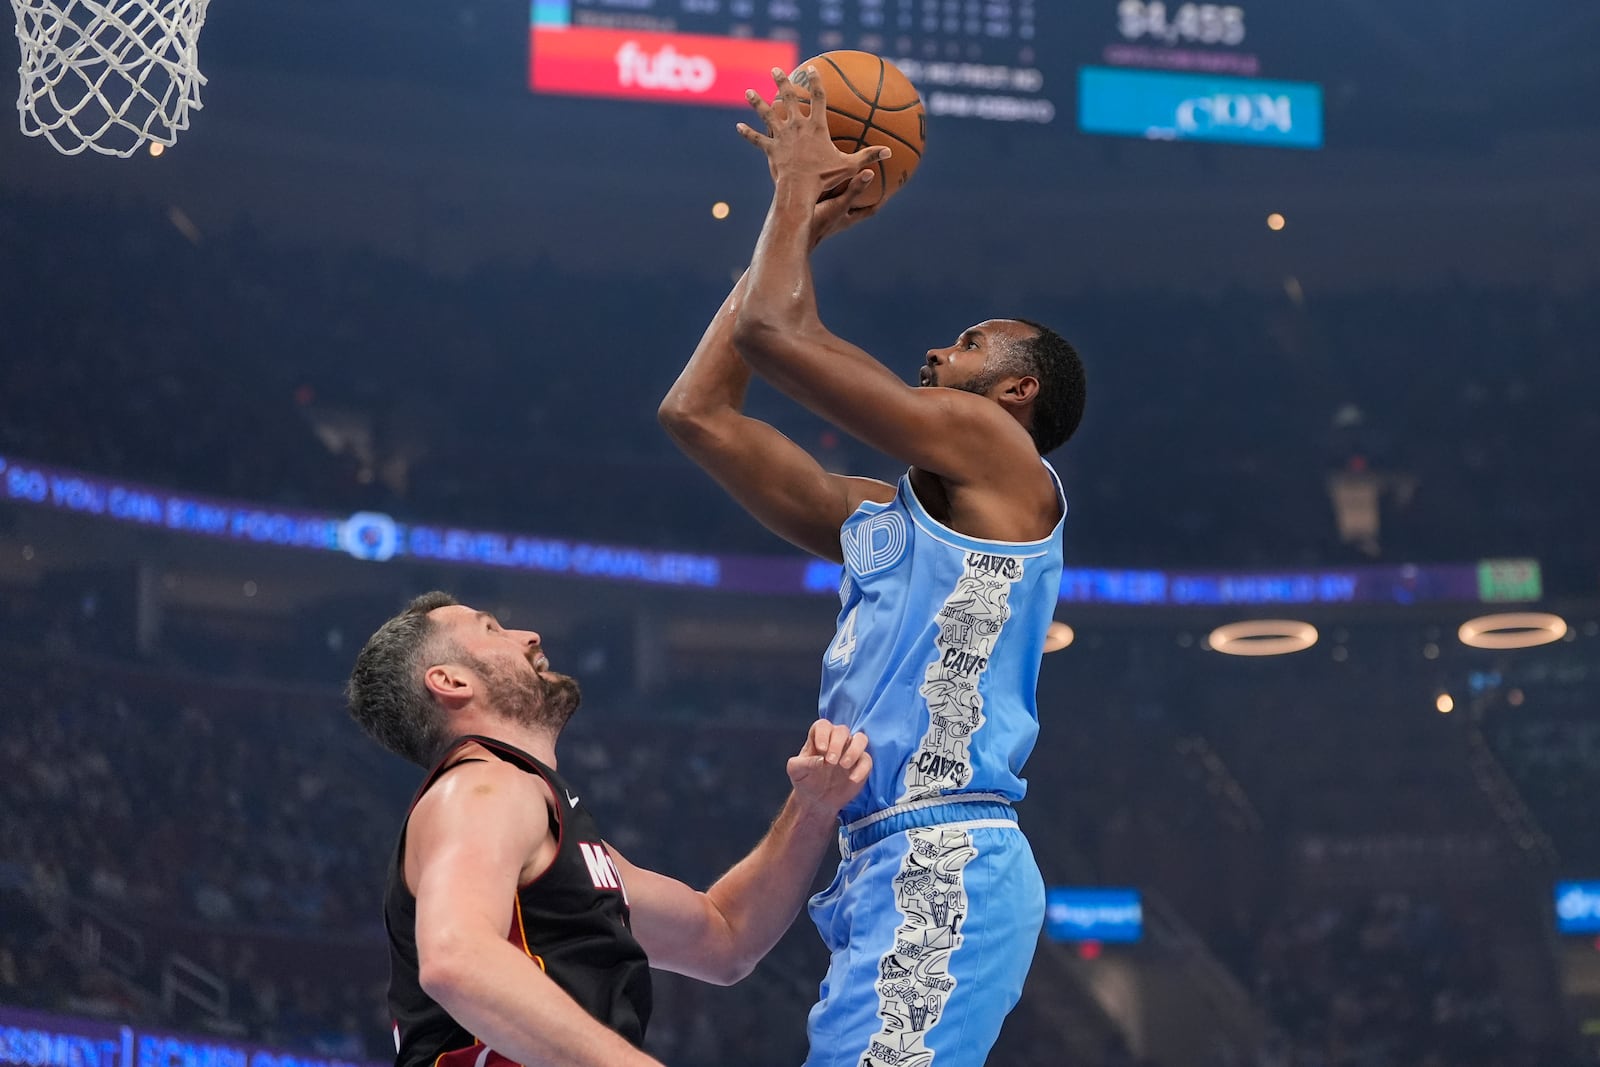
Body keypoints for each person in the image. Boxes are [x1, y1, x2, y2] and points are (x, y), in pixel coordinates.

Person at [658, 67, 1087, 1067]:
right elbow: (698, 414)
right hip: (868, 859)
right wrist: (795, 230)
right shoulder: (886, 515)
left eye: (971, 344)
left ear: (1014, 390)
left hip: (948, 852)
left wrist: (794, 202)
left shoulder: (1000, 453)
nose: (939, 351)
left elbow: (775, 332)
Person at [345, 591, 872, 1067]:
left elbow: (725, 936)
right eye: (490, 629)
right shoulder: (480, 787)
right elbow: (456, 958)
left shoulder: (539, 813)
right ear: (452, 681)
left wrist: (812, 808)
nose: (528, 635)